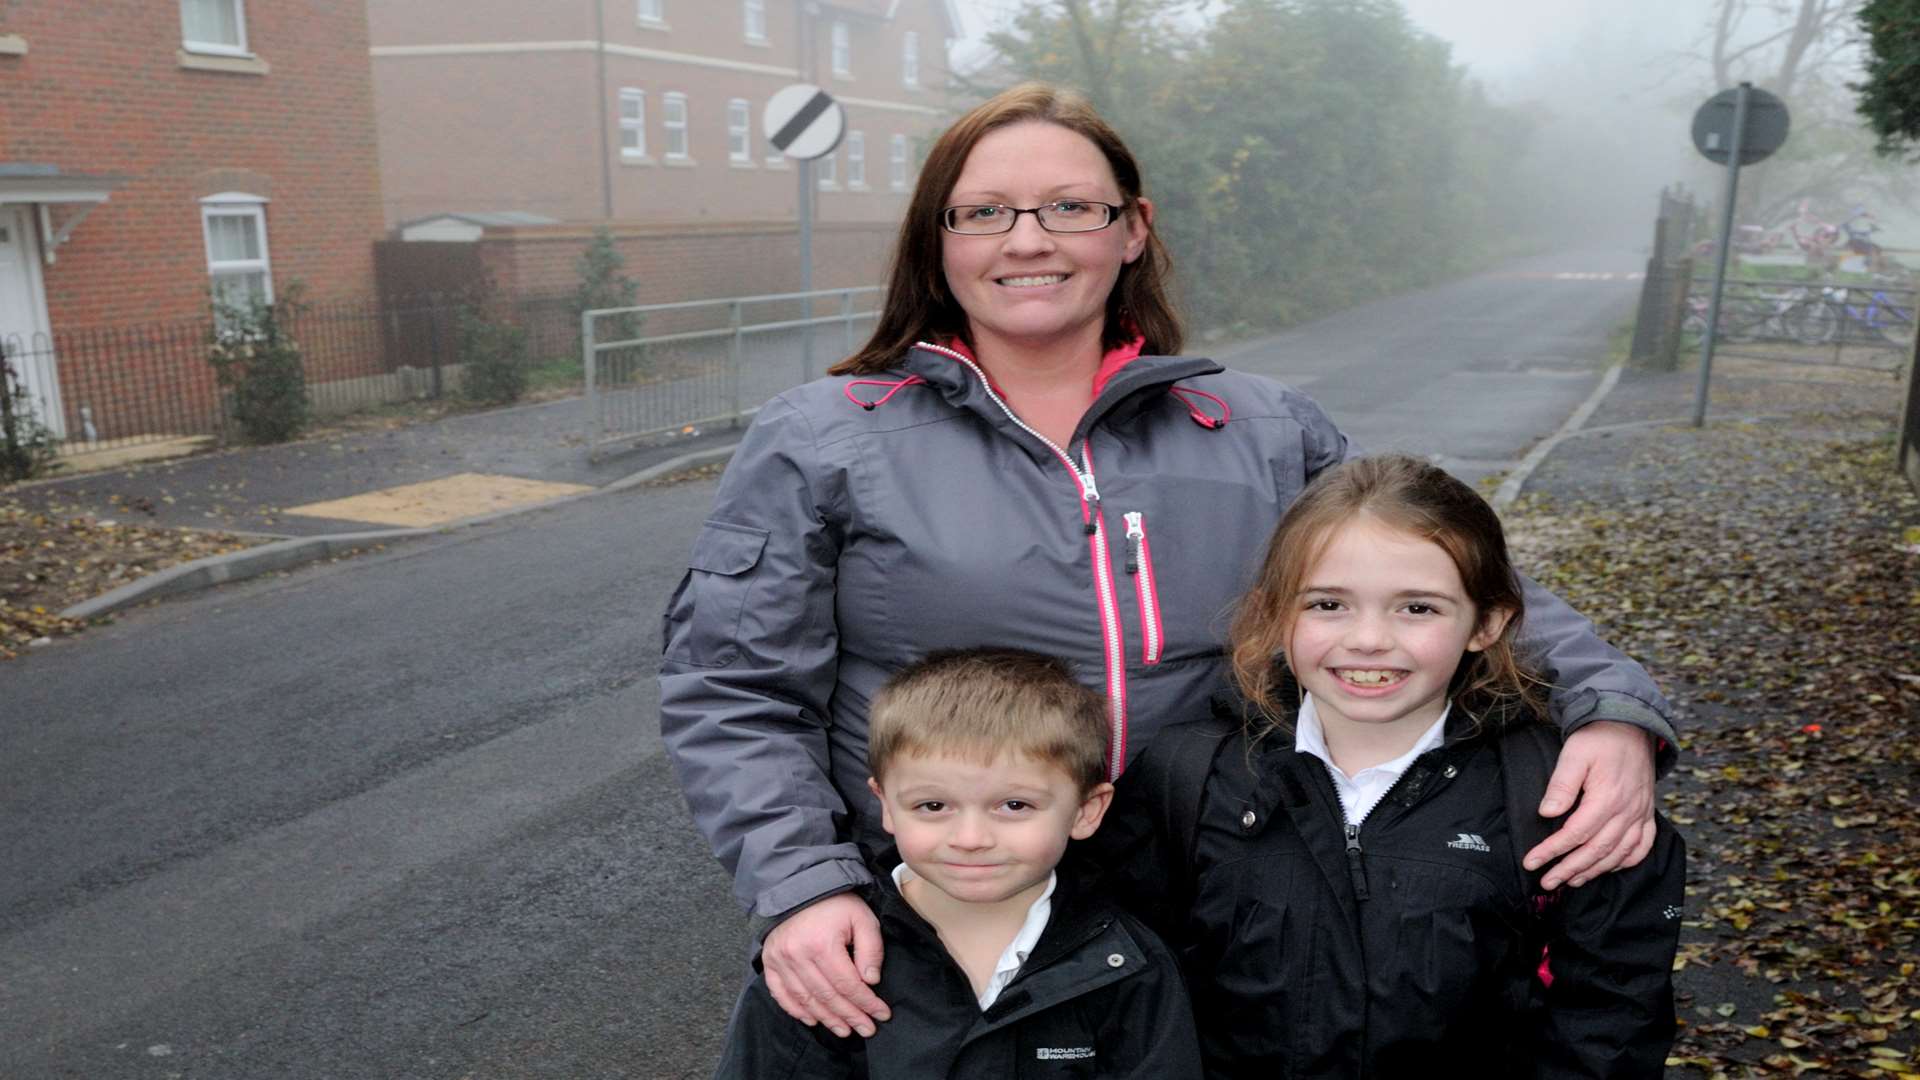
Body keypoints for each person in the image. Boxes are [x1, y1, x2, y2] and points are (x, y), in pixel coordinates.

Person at [659, 82, 1678, 1041]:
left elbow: (1450, 578)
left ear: (1132, 229)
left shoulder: (1259, 427)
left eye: (1069, 207)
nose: (1028, 240)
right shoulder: (823, 439)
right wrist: (804, 883)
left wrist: (1615, 711)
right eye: (985, 213)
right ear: (939, 241)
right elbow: (734, 687)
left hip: (1218, 913)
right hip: (943, 913)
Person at [1097, 454, 1685, 1076]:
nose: (1369, 639)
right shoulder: (1186, 777)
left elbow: (1606, 1023)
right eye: (1328, 605)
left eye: (1417, 608)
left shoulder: (1561, 800)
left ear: (1487, 623)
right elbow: (1131, 994)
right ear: (1276, 614)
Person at [711, 648, 1204, 1078]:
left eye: (1014, 806)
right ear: (885, 804)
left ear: (1086, 811)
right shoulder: (827, 962)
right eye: (933, 806)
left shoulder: (1129, 964)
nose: (970, 839)